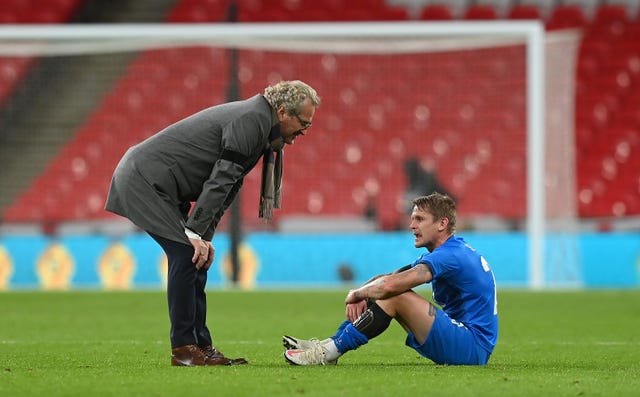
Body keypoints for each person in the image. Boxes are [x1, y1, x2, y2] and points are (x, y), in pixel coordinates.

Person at [105, 80, 321, 366]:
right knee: (185, 254)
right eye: (303, 123)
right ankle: (183, 349)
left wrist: (204, 237)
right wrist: (194, 233)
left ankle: (202, 346)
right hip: (143, 180)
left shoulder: (258, 122)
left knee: (197, 257)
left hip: (158, 181)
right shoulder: (252, 121)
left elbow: (228, 186)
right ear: (282, 111)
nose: (305, 131)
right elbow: (220, 182)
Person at [283, 193, 498, 366]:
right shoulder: (450, 252)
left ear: (442, 223)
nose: (412, 225)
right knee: (384, 289)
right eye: (413, 218)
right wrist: (365, 292)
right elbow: (388, 278)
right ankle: (328, 345)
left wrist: (355, 294)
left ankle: (328, 352)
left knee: (395, 295)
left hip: (471, 346)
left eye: (420, 219)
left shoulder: (450, 256)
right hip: (463, 341)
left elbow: (391, 286)